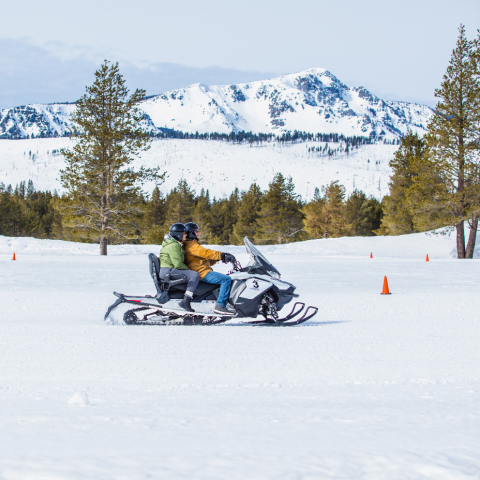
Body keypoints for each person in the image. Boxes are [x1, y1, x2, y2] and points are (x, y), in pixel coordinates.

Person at [183, 222, 236, 315]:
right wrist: (221, 255)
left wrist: (219, 259)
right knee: (226, 279)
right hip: (201, 273)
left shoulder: (191, 244)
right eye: (196, 231)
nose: (198, 233)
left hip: (201, 270)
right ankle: (220, 305)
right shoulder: (191, 245)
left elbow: (205, 259)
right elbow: (206, 252)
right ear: (191, 232)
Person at [159, 223, 200, 312]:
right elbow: (178, 264)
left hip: (168, 270)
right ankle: (186, 300)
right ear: (179, 234)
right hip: (168, 271)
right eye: (184, 233)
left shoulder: (175, 244)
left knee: (192, 274)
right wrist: (190, 271)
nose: (186, 235)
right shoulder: (174, 245)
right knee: (194, 275)